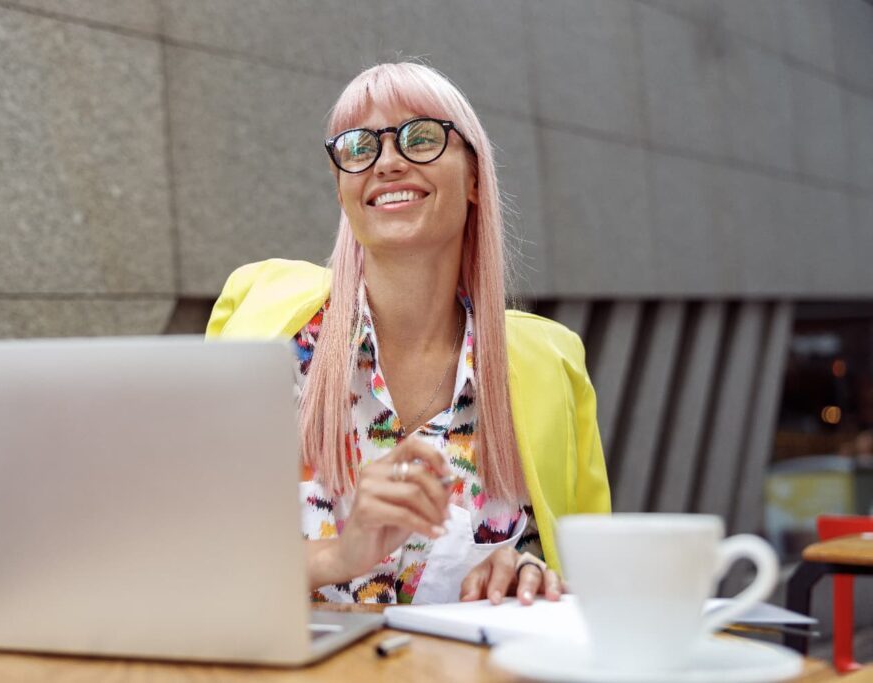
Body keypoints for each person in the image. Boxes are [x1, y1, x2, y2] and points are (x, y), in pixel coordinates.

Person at [206, 62, 610, 605]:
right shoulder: (264, 323)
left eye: (420, 138)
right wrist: (338, 557)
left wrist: (532, 574)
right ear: (343, 189)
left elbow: (595, 581)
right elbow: (186, 556)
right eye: (358, 146)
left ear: (473, 178)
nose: (388, 162)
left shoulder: (548, 366)